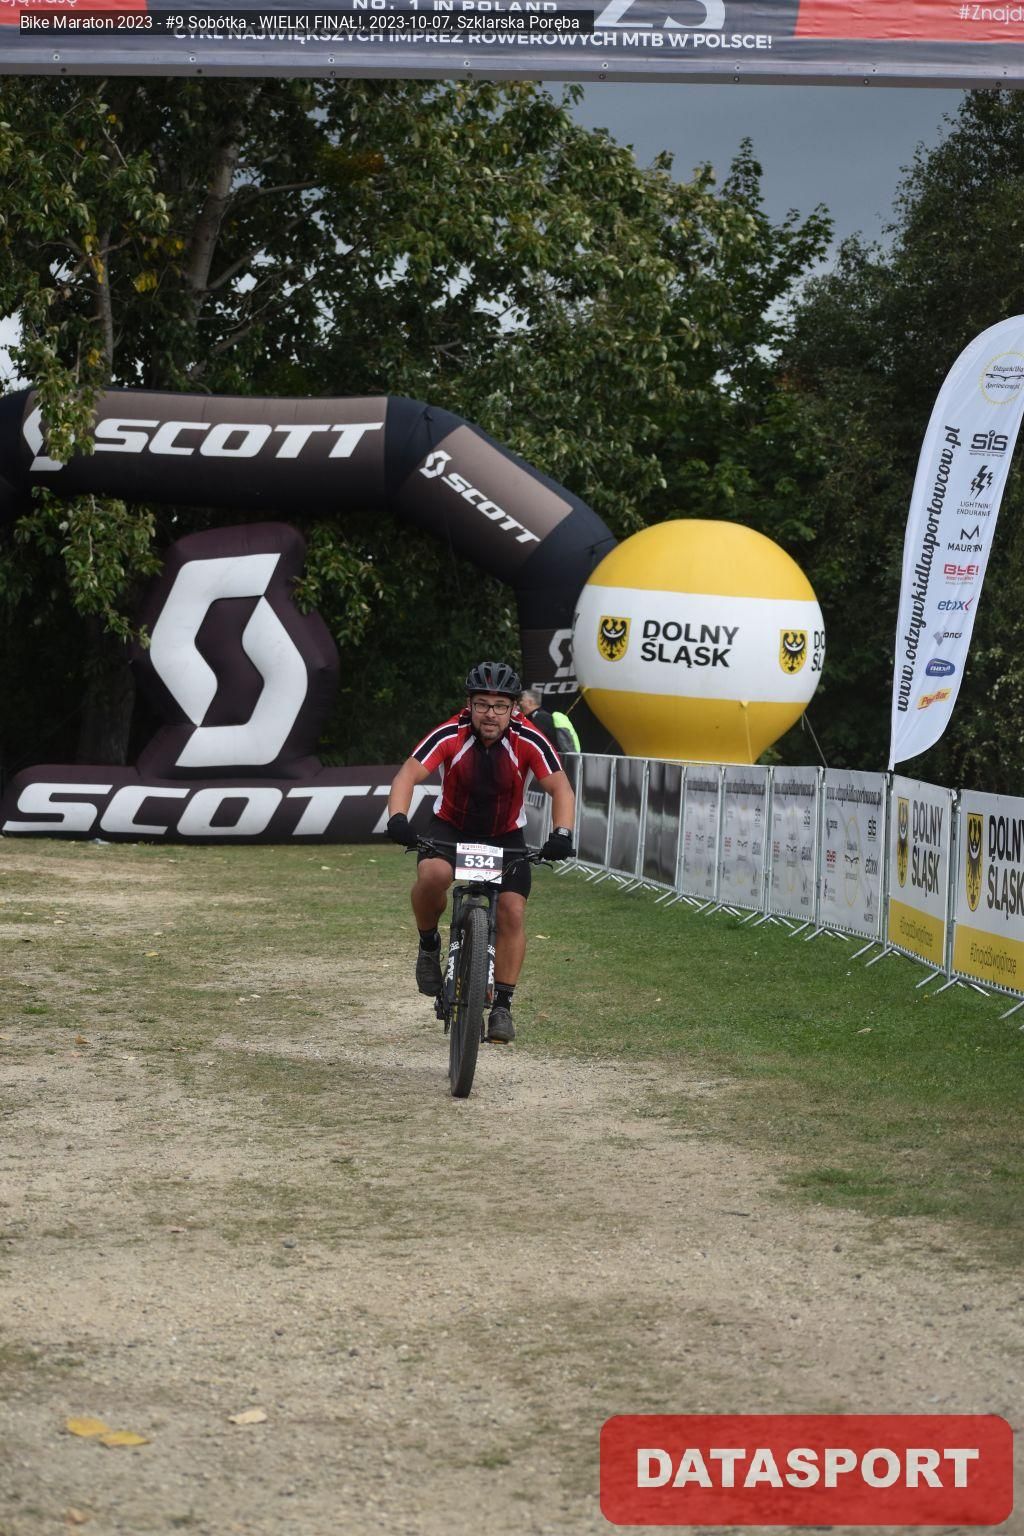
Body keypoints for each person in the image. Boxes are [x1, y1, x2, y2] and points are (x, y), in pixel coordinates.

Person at [386, 661, 576, 1044]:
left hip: (504, 836)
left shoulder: (528, 738)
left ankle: (502, 1006)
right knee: (433, 875)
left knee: (512, 911)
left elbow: (560, 788)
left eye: (500, 706)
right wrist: (398, 819)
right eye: (483, 704)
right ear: (469, 705)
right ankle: (428, 945)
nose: (491, 713)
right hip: (451, 828)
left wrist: (562, 833)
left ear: (514, 708)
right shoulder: (450, 733)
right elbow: (407, 774)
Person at [520, 689, 581, 755]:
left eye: (521, 700)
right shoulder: (540, 716)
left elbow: (538, 744)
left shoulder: (540, 718)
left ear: (530, 702)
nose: (519, 703)